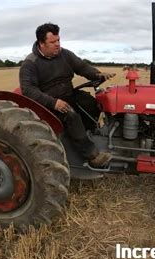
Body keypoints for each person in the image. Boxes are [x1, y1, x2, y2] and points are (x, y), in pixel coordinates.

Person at [19, 22, 115, 167]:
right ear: (41, 44)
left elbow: (81, 67)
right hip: (47, 104)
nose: (57, 44)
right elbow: (28, 90)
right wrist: (53, 102)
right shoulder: (30, 63)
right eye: (52, 42)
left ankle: (86, 135)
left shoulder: (64, 54)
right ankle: (92, 156)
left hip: (68, 94)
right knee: (71, 115)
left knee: (90, 103)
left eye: (58, 40)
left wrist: (98, 74)